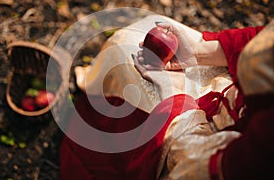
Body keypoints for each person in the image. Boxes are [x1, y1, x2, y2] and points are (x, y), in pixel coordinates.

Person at [59, 14, 273, 180]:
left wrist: (176, 97)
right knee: (125, 45)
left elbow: (200, 169)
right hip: (233, 90)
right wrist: (199, 52)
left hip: (206, 144)